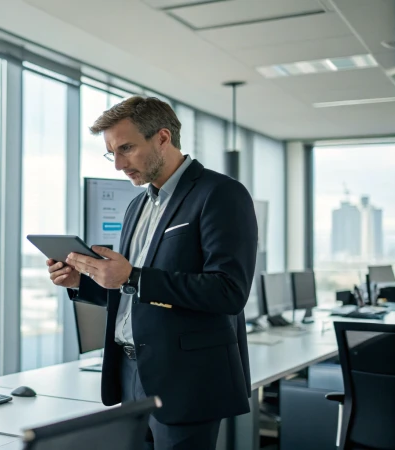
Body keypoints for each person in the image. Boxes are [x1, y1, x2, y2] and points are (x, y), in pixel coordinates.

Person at [48, 97, 257, 449]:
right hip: (131, 369)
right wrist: (83, 282)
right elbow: (132, 291)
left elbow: (229, 292)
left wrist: (132, 276)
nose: (117, 164)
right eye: (111, 152)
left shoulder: (220, 194)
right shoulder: (137, 205)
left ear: (162, 137)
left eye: (126, 148)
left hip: (187, 379)